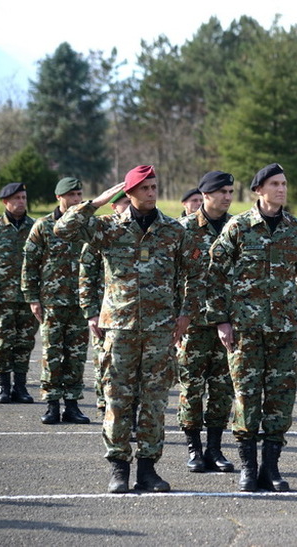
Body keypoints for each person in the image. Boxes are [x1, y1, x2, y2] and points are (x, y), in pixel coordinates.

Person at [55, 165, 201, 494]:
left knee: (153, 402)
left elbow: (196, 271)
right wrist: (95, 202)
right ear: (130, 192)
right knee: (118, 400)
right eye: (145, 187)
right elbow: (62, 230)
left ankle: (148, 470)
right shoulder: (108, 228)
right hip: (118, 329)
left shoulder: (173, 231)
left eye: (154, 186)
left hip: (160, 329)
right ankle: (119, 469)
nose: (152, 192)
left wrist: (186, 313)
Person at [206, 163, 297, 492]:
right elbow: (215, 275)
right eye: (275, 184)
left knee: (280, 400)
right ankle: (248, 468)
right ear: (259, 190)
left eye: (284, 183)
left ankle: (272, 468)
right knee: (246, 398)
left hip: (283, 330)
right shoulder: (239, 227)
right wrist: (221, 319)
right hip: (245, 331)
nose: (282, 189)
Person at [176, 171, 236, 474]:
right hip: (194, 323)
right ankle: (194, 449)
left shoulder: (237, 228)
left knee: (223, 388)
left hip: (227, 321)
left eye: (230, 191)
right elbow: (172, 276)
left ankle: (215, 449)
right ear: (206, 194)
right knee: (191, 387)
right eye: (221, 192)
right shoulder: (183, 229)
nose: (227, 196)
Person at [22, 177, 91, 425]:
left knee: (76, 355)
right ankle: (52, 405)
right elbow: (29, 264)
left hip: (81, 303)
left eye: (79, 195)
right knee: (52, 354)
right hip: (52, 302)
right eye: (71, 195)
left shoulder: (88, 225)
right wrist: (32, 298)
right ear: (58, 197)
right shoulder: (43, 226)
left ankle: (72, 405)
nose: (76, 200)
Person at [0, 182, 38, 404]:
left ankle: (20, 387)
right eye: (17, 198)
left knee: (24, 343)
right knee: (3, 342)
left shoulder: (35, 227)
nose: (21, 201)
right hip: (2, 298)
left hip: (28, 297)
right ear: (5, 202)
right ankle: (3, 386)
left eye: (23, 197)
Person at [84, 190, 132, 416]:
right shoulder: (102, 233)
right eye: (125, 203)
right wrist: (91, 312)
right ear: (114, 207)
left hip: (131, 315)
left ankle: (128, 415)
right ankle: (105, 406)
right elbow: (86, 274)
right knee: (105, 362)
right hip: (105, 312)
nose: (129, 206)